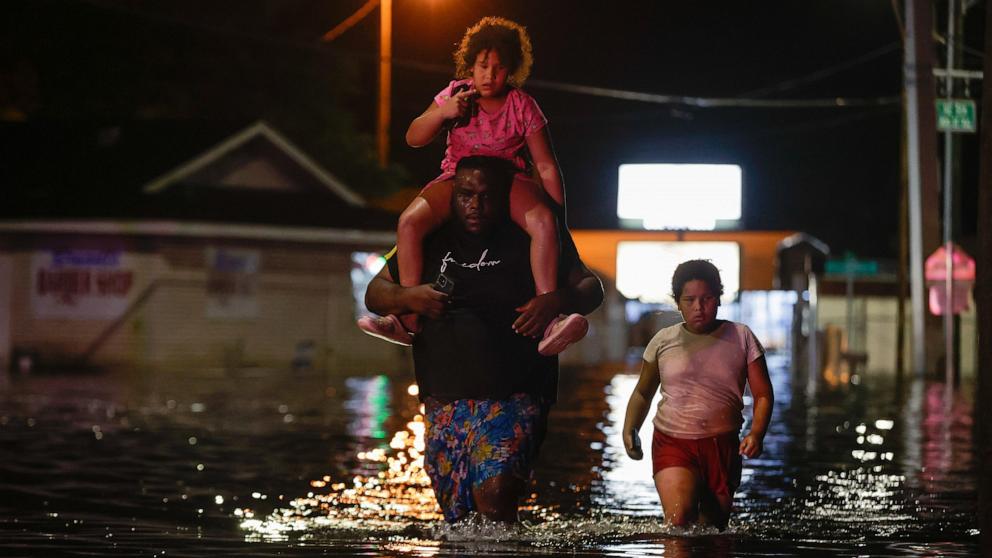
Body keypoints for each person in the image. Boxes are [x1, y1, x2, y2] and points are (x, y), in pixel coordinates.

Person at [364, 156, 603, 523]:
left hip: (517, 394)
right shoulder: (431, 236)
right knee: (457, 516)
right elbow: (376, 291)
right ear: (451, 195)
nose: (475, 205)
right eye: (465, 195)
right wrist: (409, 298)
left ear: (506, 195)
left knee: (495, 497)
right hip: (444, 399)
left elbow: (590, 287)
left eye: (488, 196)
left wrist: (555, 300)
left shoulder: (532, 233)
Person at [361, 16, 585, 355]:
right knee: (408, 222)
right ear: (471, 64)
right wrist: (443, 113)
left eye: (498, 68)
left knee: (542, 223)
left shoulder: (521, 104)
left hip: (507, 180)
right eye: (482, 66)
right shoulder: (454, 94)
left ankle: (550, 316)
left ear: (511, 70)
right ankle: (406, 318)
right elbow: (413, 137)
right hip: (456, 178)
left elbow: (545, 165)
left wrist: (558, 217)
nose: (489, 75)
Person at [621, 260, 773, 530]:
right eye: (689, 300)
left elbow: (762, 394)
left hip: (722, 445)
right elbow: (643, 392)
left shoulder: (741, 337)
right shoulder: (663, 341)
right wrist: (630, 429)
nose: (698, 307)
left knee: (714, 533)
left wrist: (756, 433)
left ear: (719, 299)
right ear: (677, 302)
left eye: (707, 299)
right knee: (679, 523)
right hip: (673, 442)